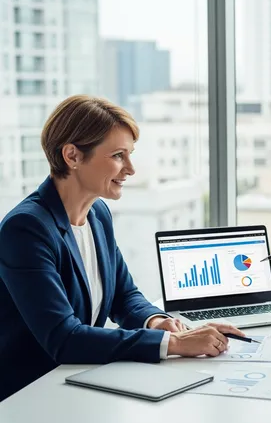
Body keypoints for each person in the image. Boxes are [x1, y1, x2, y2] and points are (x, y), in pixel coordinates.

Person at [0, 95, 245, 402]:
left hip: (79, 380)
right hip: (29, 395)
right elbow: (63, 338)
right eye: (118, 155)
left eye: (130, 155)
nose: (130, 169)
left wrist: (159, 322)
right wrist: (174, 343)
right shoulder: (26, 228)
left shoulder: (97, 214)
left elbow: (124, 296)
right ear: (72, 156)